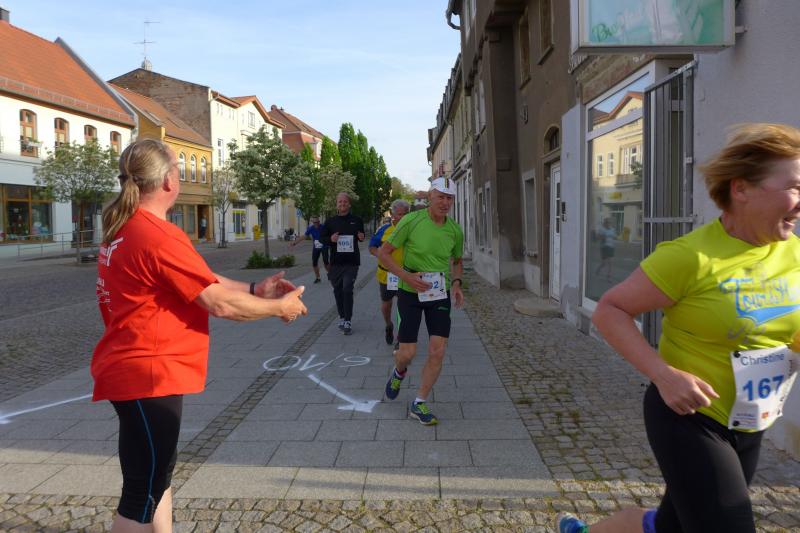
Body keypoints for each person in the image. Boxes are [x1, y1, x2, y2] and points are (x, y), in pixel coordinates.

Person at [557, 123, 800, 533]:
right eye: (794, 187)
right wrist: (663, 374)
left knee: (672, 526)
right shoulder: (691, 256)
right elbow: (610, 310)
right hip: (690, 417)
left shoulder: (793, 252)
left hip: (751, 419)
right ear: (741, 188)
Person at [91, 139, 308, 532]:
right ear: (169, 180)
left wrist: (255, 289)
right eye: (178, 167)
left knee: (158, 478)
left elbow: (200, 280)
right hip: (148, 374)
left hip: (140, 371)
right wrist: (280, 307)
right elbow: (218, 304)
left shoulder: (128, 228)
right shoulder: (156, 235)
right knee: (141, 494)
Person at [377, 177, 464, 425]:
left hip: (438, 294)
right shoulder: (411, 221)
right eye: (440, 197)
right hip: (409, 292)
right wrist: (406, 276)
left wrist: (457, 284)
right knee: (408, 353)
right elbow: (384, 253)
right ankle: (399, 371)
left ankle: (419, 402)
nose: (445, 203)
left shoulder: (454, 230)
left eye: (449, 198)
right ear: (429, 196)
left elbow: (457, 261)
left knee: (438, 351)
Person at [320, 192, 365, 335]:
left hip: (351, 262)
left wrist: (361, 237)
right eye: (340, 202)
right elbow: (321, 239)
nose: (342, 204)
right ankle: (342, 316)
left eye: (345, 201)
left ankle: (348, 320)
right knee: (338, 290)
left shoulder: (357, 220)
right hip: (336, 263)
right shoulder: (330, 221)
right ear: (336, 204)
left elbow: (361, 235)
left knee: (347, 289)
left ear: (349, 204)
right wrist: (330, 239)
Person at [369, 199, 411, 346]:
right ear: (393, 215)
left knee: (404, 307)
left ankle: (401, 337)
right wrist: (379, 254)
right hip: (386, 275)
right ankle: (388, 325)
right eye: (399, 214)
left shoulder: (412, 230)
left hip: (405, 275)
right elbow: (372, 247)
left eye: (405, 214)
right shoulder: (383, 230)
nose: (402, 217)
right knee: (386, 305)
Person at [290, 215, 330, 283]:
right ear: (312, 222)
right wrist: (294, 243)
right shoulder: (311, 228)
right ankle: (318, 278)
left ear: (319, 222)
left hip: (324, 246)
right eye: (314, 222)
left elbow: (329, 235)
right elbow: (304, 236)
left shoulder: (323, 227)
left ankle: (330, 273)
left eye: (317, 222)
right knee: (314, 263)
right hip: (316, 247)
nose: (316, 224)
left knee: (326, 262)